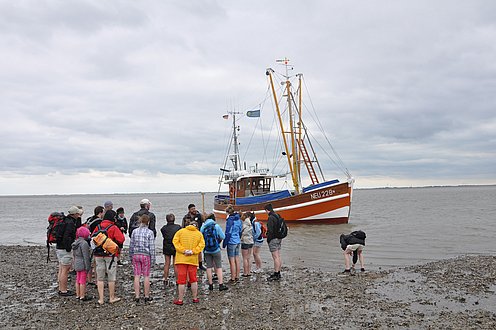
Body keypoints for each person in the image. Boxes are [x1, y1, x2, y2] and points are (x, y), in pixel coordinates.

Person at [92, 209, 125, 305]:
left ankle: (101, 299)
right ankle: (111, 297)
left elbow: (93, 238)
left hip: (98, 254)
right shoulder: (113, 227)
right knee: (111, 276)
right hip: (111, 255)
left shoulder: (98, 227)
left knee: (100, 277)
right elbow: (121, 239)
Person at [172, 220, 205, 305]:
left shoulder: (180, 232)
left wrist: (183, 250)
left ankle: (180, 300)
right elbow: (201, 245)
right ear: (196, 226)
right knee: (193, 279)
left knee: (181, 280)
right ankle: (195, 298)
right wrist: (193, 251)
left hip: (181, 259)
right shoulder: (199, 234)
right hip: (192, 260)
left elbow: (175, 242)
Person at [129, 214, 156, 303]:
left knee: (137, 275)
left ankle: (137, 296)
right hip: (145, 255)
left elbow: (131, 245)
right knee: (146, 276)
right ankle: (146, 295)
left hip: (136, 254)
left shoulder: (135, 231)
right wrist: (153, 260)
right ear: (148, 222)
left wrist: (131, 256)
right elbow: (151, 247)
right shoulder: (149, 232)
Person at [56, 205, 81, 296]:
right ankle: (63, 290)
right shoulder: (70, 223)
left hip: (59, 247)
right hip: (64, 249)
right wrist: (69, 248)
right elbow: (67, 236)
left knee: (61, 269)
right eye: (78, 213)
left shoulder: (64, 220)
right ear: (75, 214)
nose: (79, 215)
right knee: (65, 270)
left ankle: (61, 288)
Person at [200, 214, 228, 291]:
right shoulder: (216, 226)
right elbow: (223, 237)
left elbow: (200, 237)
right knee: (218, 267)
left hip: (206, 250)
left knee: (209, 267)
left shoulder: (203, 227)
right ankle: (221, 284)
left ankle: (210, 285)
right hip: (216, 249)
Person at [182, 204, 206, 271]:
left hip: (198, 235)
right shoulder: (186, 217)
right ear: (189, 210)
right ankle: (191, 263)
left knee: (198, 250)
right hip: (188, 236)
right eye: (192, 209)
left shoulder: (199, 215)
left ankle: (200, 264)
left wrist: (204, 216)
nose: (194, 210)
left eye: (194, 208)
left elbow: (205, 222)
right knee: (190, 249)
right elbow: (183, 227)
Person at [160, 213, 181, 285]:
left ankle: (165, 278)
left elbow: (164, 235)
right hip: (175, 246)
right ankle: (177, 279)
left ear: (166, 220)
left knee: (167, 263)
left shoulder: (163, 228)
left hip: (167, 246)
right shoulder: (178, 227)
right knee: (175, 264)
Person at [223, 205, 243, 283]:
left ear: (228, 212)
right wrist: (239, 237)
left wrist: (224, 243)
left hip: (231, 241)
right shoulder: (239, 219)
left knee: (231, 260)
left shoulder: (230, 220)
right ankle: (237, 275)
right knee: (237, 258)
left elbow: (228, 233)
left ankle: (233, 277)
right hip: (237, 240)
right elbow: (240, 230)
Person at [72, 226, 92, 301]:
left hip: (77, 262)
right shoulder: (84, 243)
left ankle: (78, 294)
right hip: (82, 263)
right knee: (82, 280)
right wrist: (88, 267)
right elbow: (86, 256)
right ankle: (82, 296)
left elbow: (74, 255)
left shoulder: (75, 242)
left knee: (78, 279)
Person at [265, 203, 283, 281]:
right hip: (279, 238)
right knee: (278, 256)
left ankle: (276, 273)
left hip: (273, 239)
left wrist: (268, 239)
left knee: (275, 257)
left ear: (267, 210)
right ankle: (278, 272)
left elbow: (270, 230)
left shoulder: (271, 218)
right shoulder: (277, 215)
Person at [240, 212, 254, 277]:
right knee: (249, 257)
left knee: (244, 258)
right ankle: (249, 272)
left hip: (245, 241)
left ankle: (245, 273)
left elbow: (241, 232)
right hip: (251, 241)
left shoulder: (244, 224)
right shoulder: (250, 224)